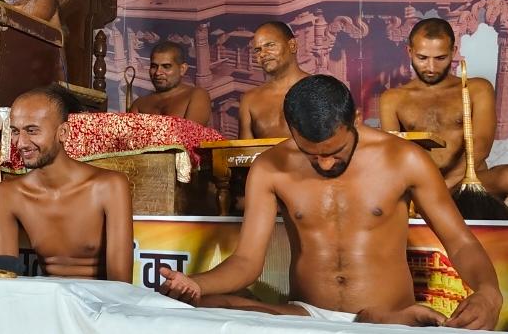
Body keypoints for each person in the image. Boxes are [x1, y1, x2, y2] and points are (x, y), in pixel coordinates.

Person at [159, 75, 502, 329]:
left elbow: (459, 242)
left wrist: (489, 292)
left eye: (335, 152)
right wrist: (196, 283)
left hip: (388, 316)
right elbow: (247, 262)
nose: (324, 164)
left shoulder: (405, 160)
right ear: (292, 130)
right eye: (312, 154)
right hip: (309, 314)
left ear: (354, 120)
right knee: (206, 306)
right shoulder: (270, 167)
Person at [0, 87, 133, 282]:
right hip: (48, 302)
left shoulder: (109, 186)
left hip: (101, 305)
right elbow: (5, 279)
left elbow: (121, 284)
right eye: (15, 131)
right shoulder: (7, 194)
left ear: (63, 132)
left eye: (32, 131)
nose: (21, 143)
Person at [379, 18, 497, 189]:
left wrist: (444, 186)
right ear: (409, 51)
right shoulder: (392, 99)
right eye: (422, 58)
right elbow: (393, 154)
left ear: (453, 51)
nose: (431, 67)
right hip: (420, 186)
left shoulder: (477, 89)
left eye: (440, 58)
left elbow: (482, 145)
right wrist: (426, 189)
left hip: (470, 182)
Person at [239, 21, 309, 139]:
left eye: (270, 45)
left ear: (292, 45)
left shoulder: (323, 90)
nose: (262, 54)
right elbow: (244, 154)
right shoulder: (249, 100)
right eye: (257, 50)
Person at [130, 41, 211, 125]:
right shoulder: (139, 104)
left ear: (182, 69)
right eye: (154, 66)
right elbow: (130, 136)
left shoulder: (197, 95)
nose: (158, 72)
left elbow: (192, 135)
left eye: (166, 67)